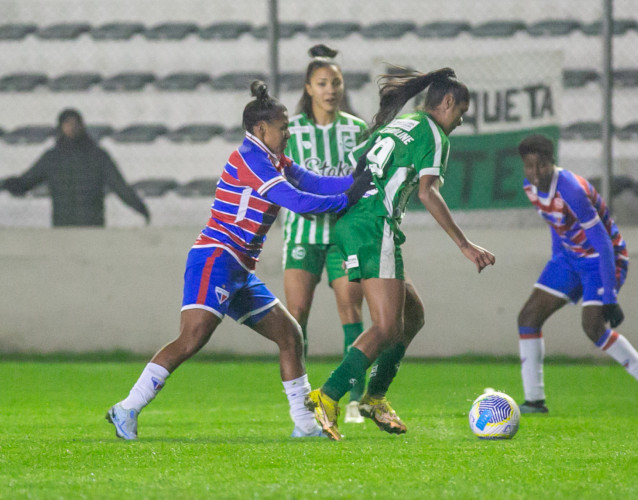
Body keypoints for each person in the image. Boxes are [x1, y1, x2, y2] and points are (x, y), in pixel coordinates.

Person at [105, 81, 372, 440]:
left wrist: (356, 181)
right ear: (261, 129)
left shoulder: (273, 158)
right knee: (191, 338)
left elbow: (311, 181)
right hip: (215, 257)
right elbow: (298, 201)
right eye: (283, 127)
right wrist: (347, 199)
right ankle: (127, 408)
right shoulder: (251, 160)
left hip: (240, 267)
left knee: (291, 336)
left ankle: (305, 424)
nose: (288, 133)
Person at [305, 67, 496, 440]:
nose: (460, 121)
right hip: (376, 225)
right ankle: (329, 395)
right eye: (461, 112)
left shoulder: (402, 122)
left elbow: (358, 162)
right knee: (388, 326)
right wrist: (464, 244)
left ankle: (375, 396)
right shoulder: (435, 135)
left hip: (353, 221)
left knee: (412, 314)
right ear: (447, 102)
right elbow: (427, 192)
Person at [514, 134, 638, 416]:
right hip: (569, 258)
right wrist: (557, 258)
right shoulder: (530, 187)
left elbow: (602, 241)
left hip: (601, 260)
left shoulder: (571, 189)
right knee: (528, 318)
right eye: (529, 166)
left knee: (594, 328)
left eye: (541, 166)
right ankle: (535, 402)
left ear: (552, 162)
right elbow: (556, 224)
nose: (535, 173)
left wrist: (610, 296)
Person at [282, 44, 369, 424]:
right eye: (322, 83)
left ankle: (352, 400)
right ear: (308, 88)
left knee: (351, 311)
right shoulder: (292, 131)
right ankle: (301, 400)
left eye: (336, 82)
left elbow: (365, 181)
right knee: (295, 316)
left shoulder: (355, 128)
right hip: (301, 235)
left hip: (342, 235)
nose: (331, 90)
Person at [0, 108, 150, 227]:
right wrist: (7, 184)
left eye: (75, 123)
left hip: (92, 228)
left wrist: (140, 208)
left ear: (82, 126)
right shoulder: (52, 157)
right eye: (67, 123)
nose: (72, 127)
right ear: (61, 127)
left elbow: (120, 187)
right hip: (63, 230)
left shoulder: (98, 156)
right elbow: (25, 182)